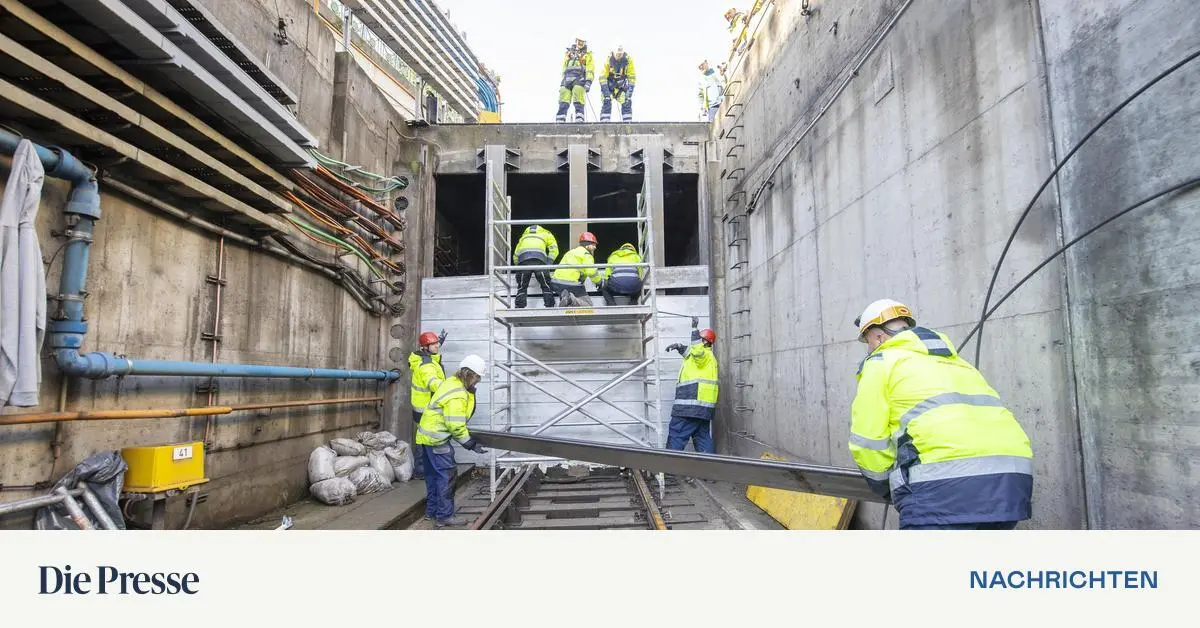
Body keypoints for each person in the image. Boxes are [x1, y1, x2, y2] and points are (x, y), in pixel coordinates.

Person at [848, 299, 1034, 530]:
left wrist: (889, 489)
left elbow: (868, 442)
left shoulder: (880, 362)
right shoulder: (957, 363)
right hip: (1010, 485)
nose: (868, 349)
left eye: (867, 342)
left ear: (878, 337)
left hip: (941, 490)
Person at [416, 354, 490, 528]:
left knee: (433, 477)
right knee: (447, 477)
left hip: (427, 438)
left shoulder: (452, 382)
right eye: (477, 377)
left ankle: (432, 512)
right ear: (469, 374)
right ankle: (444, 516)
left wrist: (470, 392)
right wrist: (470, 444)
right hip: (438, 440)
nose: (478, 381)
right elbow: (455, 425)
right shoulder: (458, 394)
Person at [664, 318, 718, 454]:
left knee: (677, 434)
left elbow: (697, 352)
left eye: (700, 340)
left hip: (690, 407)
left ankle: (671, 469)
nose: (696, 343)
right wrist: (679, 346)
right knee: (702, 439)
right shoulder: (705, 358)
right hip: (702, 410)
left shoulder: (704, 355)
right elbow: (690, 353)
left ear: (705, 342)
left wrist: (695, 330)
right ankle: (710, 471)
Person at [407, 330, 447, 482]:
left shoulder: (422, 358)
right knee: (425, 441)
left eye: (437, 343)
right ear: (425, 347)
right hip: (427, 410)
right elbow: (433, 382)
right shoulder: (426, 366)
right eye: (434, 344)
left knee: (423, 439)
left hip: (422, 408)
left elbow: (433, 359)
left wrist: (437, 343)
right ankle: (422, 471)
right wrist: (450, 388)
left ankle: (422, 470)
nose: (437, 346)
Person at [513, 224, 559, 308]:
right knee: (546, 285)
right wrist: (548, 264)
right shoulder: (546, 233)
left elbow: (516, 255)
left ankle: (519, 307)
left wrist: (518, 267)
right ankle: (550, 306)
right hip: (539, 260)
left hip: (524, 260)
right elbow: (554, 250)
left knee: (522, 286)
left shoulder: (524, 236)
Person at [550, 232, 599, 306]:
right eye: (593, 245)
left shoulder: (570, 252)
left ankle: (567, 299)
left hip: (557, 283)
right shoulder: (586, 254)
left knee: (566, 307)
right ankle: (570, 299)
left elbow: (582, 272)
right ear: (587, 245)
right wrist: (599, 282)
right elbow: (591, 272)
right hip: (570, 283)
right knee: (589, 306)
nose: (595, 247)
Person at [556, 37, 594, 123]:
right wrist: (564, 78)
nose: (580, 44)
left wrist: (588, 81)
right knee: (563, 95)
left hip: (579, 79)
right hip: (567, 79)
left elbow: (590, 69)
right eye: (579, 41)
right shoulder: (569, 53)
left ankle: (579, 119)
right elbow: (564, 67)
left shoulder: (587, 55)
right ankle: (560, 120)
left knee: (578, 93)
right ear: (576, 41)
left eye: (582, 42)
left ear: (584, 43)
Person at [599, 45, 636, 122]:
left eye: (620, 54)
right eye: (617, 54)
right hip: (610, 87)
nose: (619, 55)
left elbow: (632, 77)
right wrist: (606, 92)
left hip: (621, 87)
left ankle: (627, 125)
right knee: (606, 100)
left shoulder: (628, 61)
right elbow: (602, 77)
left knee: (626, 100)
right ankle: (604, 124)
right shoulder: (608, 60)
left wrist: (630, 92)